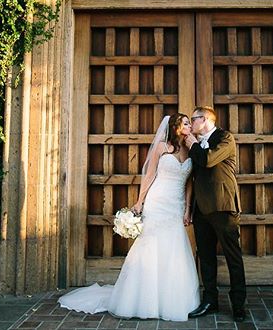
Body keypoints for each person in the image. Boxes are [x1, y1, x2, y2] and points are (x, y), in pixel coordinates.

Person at [58, 113, 200, 321]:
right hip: (158, 202)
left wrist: (188, 209)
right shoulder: (161, 147)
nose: (190, 126)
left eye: (190, 123)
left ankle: (172, 298)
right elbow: (149, 175)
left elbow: (189, 183)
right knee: (149, 248)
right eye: (186, 123)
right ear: (176, 127)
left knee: (174, 249)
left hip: (176, 205)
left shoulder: (190, 150)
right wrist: (140, 201)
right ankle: (142, 299)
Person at [184, 106, 247, 322]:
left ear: (204, 120)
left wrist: (193, 144)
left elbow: (208, 160)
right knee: (206, 257)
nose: (191, 125)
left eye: (193, 120)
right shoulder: (194, 143)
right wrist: (189, 208)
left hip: (223, 207)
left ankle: (238, 304)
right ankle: (210, 300)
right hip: (201, 209)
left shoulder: (225, 137)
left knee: (233, 257)